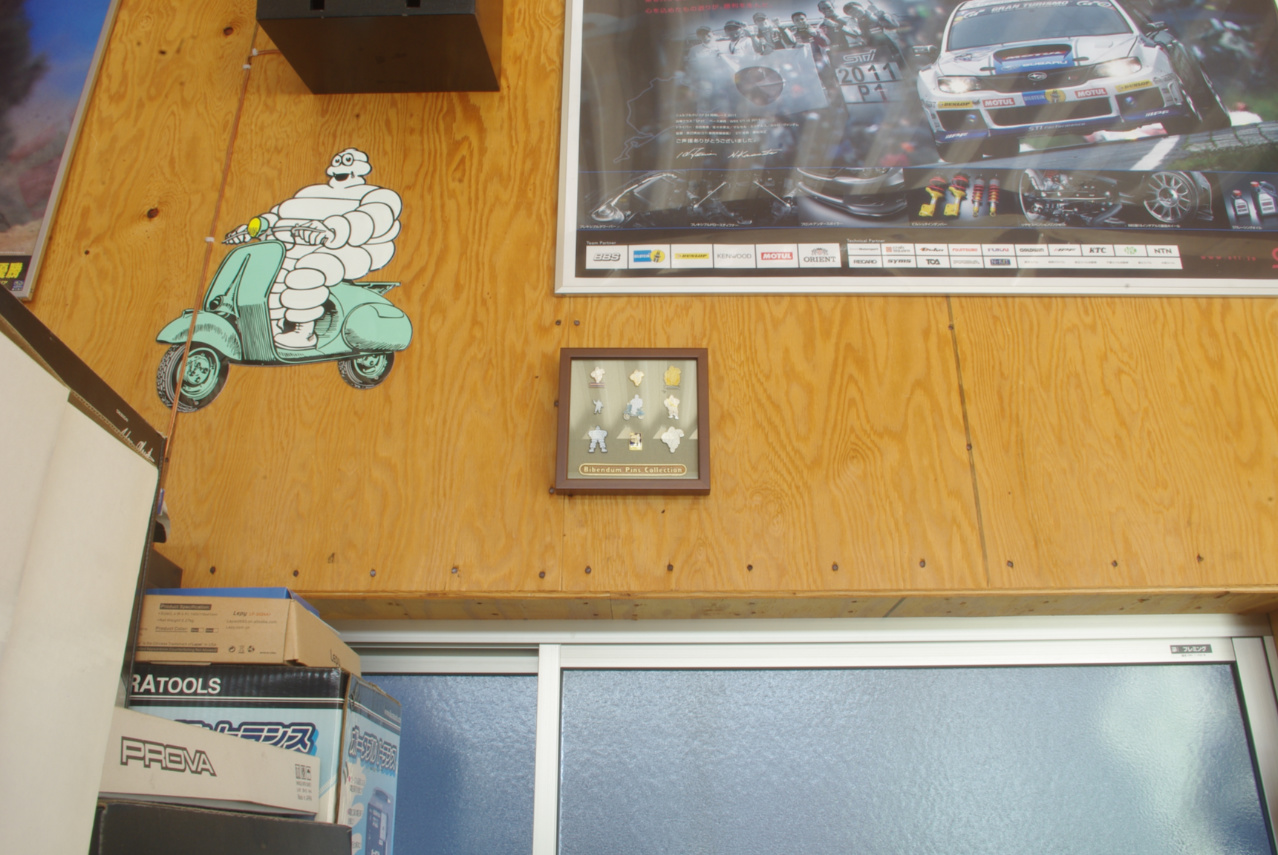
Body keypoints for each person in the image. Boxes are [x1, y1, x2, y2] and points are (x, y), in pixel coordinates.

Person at [224, 149, 402, 349]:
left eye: (348, 162)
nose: (341, 167)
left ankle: (304, 333)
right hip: (297, 247)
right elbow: (280, 215)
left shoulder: (376, 195)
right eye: (338, 161)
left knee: (307, 272)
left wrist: (333, 229)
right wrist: (255, 228)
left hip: (347, 250)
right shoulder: (310, 193)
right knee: (269, 273)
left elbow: (371, 218)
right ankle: (269, 326)